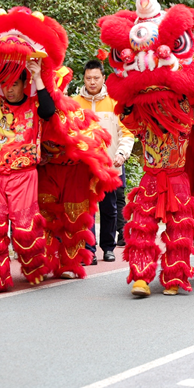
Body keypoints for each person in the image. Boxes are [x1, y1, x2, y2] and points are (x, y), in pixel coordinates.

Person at [0, 61, 56, 294]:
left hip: (24, 175)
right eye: (5, 84)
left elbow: (50, 111)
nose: (9, 89)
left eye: (14, 84)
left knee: (24, 227)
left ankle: (33, 266)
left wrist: (37, 74)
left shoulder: (34, 105)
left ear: (24, 84)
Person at [74, 59, 135, 264]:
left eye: (96, 78)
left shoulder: (114, 102)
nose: (92, 82)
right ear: (83, 78)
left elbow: (126, 132)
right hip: (85, 167)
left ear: (103, 77)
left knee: (109, 209)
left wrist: (122, 153)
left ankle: (108, 247)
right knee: (87, 209)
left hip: (111, 166)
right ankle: (89, 250)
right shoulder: (75, 104)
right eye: (88, 78)